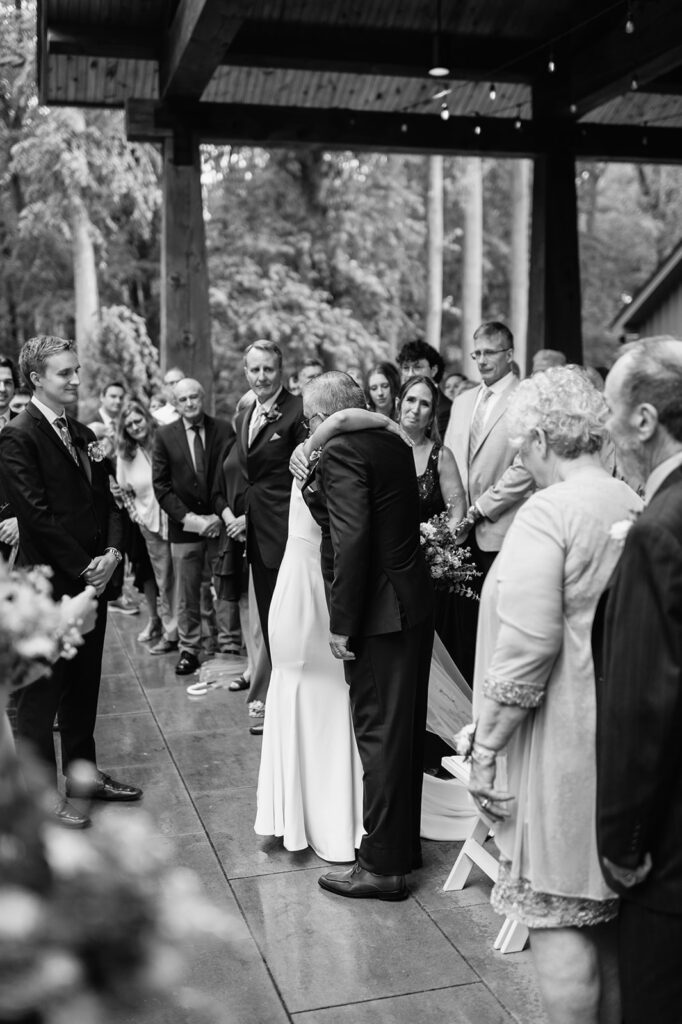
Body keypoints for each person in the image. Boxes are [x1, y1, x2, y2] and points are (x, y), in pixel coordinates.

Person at [467, 366, 641, 1024]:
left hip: (563, 750)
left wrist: (485, 746)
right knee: (607, 932)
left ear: (541, 438)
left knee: (561, 923)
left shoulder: (550, 512)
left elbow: (529, 648)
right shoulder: (631, 501)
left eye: (521, 451)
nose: (523, 464)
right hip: (622, 741)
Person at [301, 372, 434, 901]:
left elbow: (351, 539)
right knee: (402, 735)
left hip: (378, 614)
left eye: (312, 421)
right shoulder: (393, 443)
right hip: (412, 603)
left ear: (324, 419)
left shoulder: (340, 451)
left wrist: (340, 622)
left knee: (378, 736)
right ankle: (401, 849)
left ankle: (380, 867)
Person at [0, 336, 142, 827]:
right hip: (48, 591)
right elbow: (35, 517)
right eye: (65, 373)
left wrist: (113, 555)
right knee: (41, 698)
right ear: (36, 378)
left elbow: (112, 501)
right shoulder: (18, 435)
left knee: (83, 687)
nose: (77, 380)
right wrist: (86, 567)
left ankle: (84, 776)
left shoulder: (84, 432)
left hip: (93, 583)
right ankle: (41, 797)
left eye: (77, 370)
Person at [255, 406, 401, 861]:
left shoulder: (327, 450)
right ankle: (331, 814)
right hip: (309, 587)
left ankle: (314, 814)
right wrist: (388, 422)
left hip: (320, 585)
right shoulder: (313, 451)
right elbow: (340, 421)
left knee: (330, 694)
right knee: (312, 688)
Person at [596, 339, 682, 1024]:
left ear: (646, 421)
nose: (607, 432)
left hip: (670, 846)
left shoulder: (658, 532)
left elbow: (640, 705)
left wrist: (621, 846)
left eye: (612, 412)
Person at [152, 378, 235, 676]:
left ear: (203, 397)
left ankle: (229, 645)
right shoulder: (163, 436)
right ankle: (189, 649)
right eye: (183, 399)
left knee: (224, 586)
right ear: (175, 403)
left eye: (194, 397)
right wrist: (195, 522)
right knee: (186, 592)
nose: (189, 403)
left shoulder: (224, 429)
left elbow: (230, 476)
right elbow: (161, 487)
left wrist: (218, 516)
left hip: (221, 523)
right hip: (184, 527)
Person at [233, 341, 307, 662]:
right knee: (269, 623)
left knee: (293, 625)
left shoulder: (299, 410)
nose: (261, 377)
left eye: (268, 369)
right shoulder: (245, 415)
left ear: (281, 371)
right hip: (257, 536)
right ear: (246, 372)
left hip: (289, 534)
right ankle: (276, 695)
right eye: (255, 369)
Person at [444, 322, 534, 580]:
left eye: (490, 353)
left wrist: (481, 508)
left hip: (502, 528)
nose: (481, 360)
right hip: (458, 534)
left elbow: (526, 467)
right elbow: (449, 460)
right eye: (477, 354)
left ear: (509, 354)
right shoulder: (461, 402)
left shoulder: (526, 398)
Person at [116, 399, 178, 654]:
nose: (134, 426)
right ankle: (171, 632)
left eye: (138, 420)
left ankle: (197, 634)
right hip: (150, 523)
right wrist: (137, 517)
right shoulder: (126, 455)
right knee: (165, 581)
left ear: (147, 417)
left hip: (178, 518)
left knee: (188, 576)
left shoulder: (165, 439)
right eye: (129, 424)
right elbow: (124, 491)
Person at [397, 339, 451, 440]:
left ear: (434, 370)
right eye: (405, 368)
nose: (410, 374)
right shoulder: (398, 401)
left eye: (417, 367)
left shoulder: (446, 409)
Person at [0, 356, 19, 562]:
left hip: (18, 537)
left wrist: (23, 522)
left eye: (7, 382)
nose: (2, 388)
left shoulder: (31, 427)